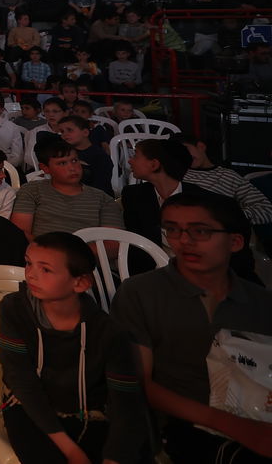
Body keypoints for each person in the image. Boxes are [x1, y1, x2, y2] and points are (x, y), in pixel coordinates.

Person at [113, 190, 272, 462]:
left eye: (200, 232)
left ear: (234, 242)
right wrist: (235, 426)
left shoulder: (259, 301)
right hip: (183, 425)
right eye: (173, 230)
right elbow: (139, 383)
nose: (184, 241)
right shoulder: (141, 292)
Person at [0, 232, 148, 464]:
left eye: (45, 269)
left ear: (80, 283)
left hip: (90, 413)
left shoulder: (109, 332)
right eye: (29, 263)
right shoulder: (14, 308)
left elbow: (125, 401)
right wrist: (70, 450)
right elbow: (21, 380)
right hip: (29, 409)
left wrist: (114, 457)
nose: (31, 274)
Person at [11, 135, 123, 239]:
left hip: (85, 256)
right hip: (40, 255)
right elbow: (21, 234)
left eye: (74, 161)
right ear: (45, 168)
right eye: (62, 163)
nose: (72, 168)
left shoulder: (103, 199)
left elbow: (114, 243)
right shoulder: (32, 190)